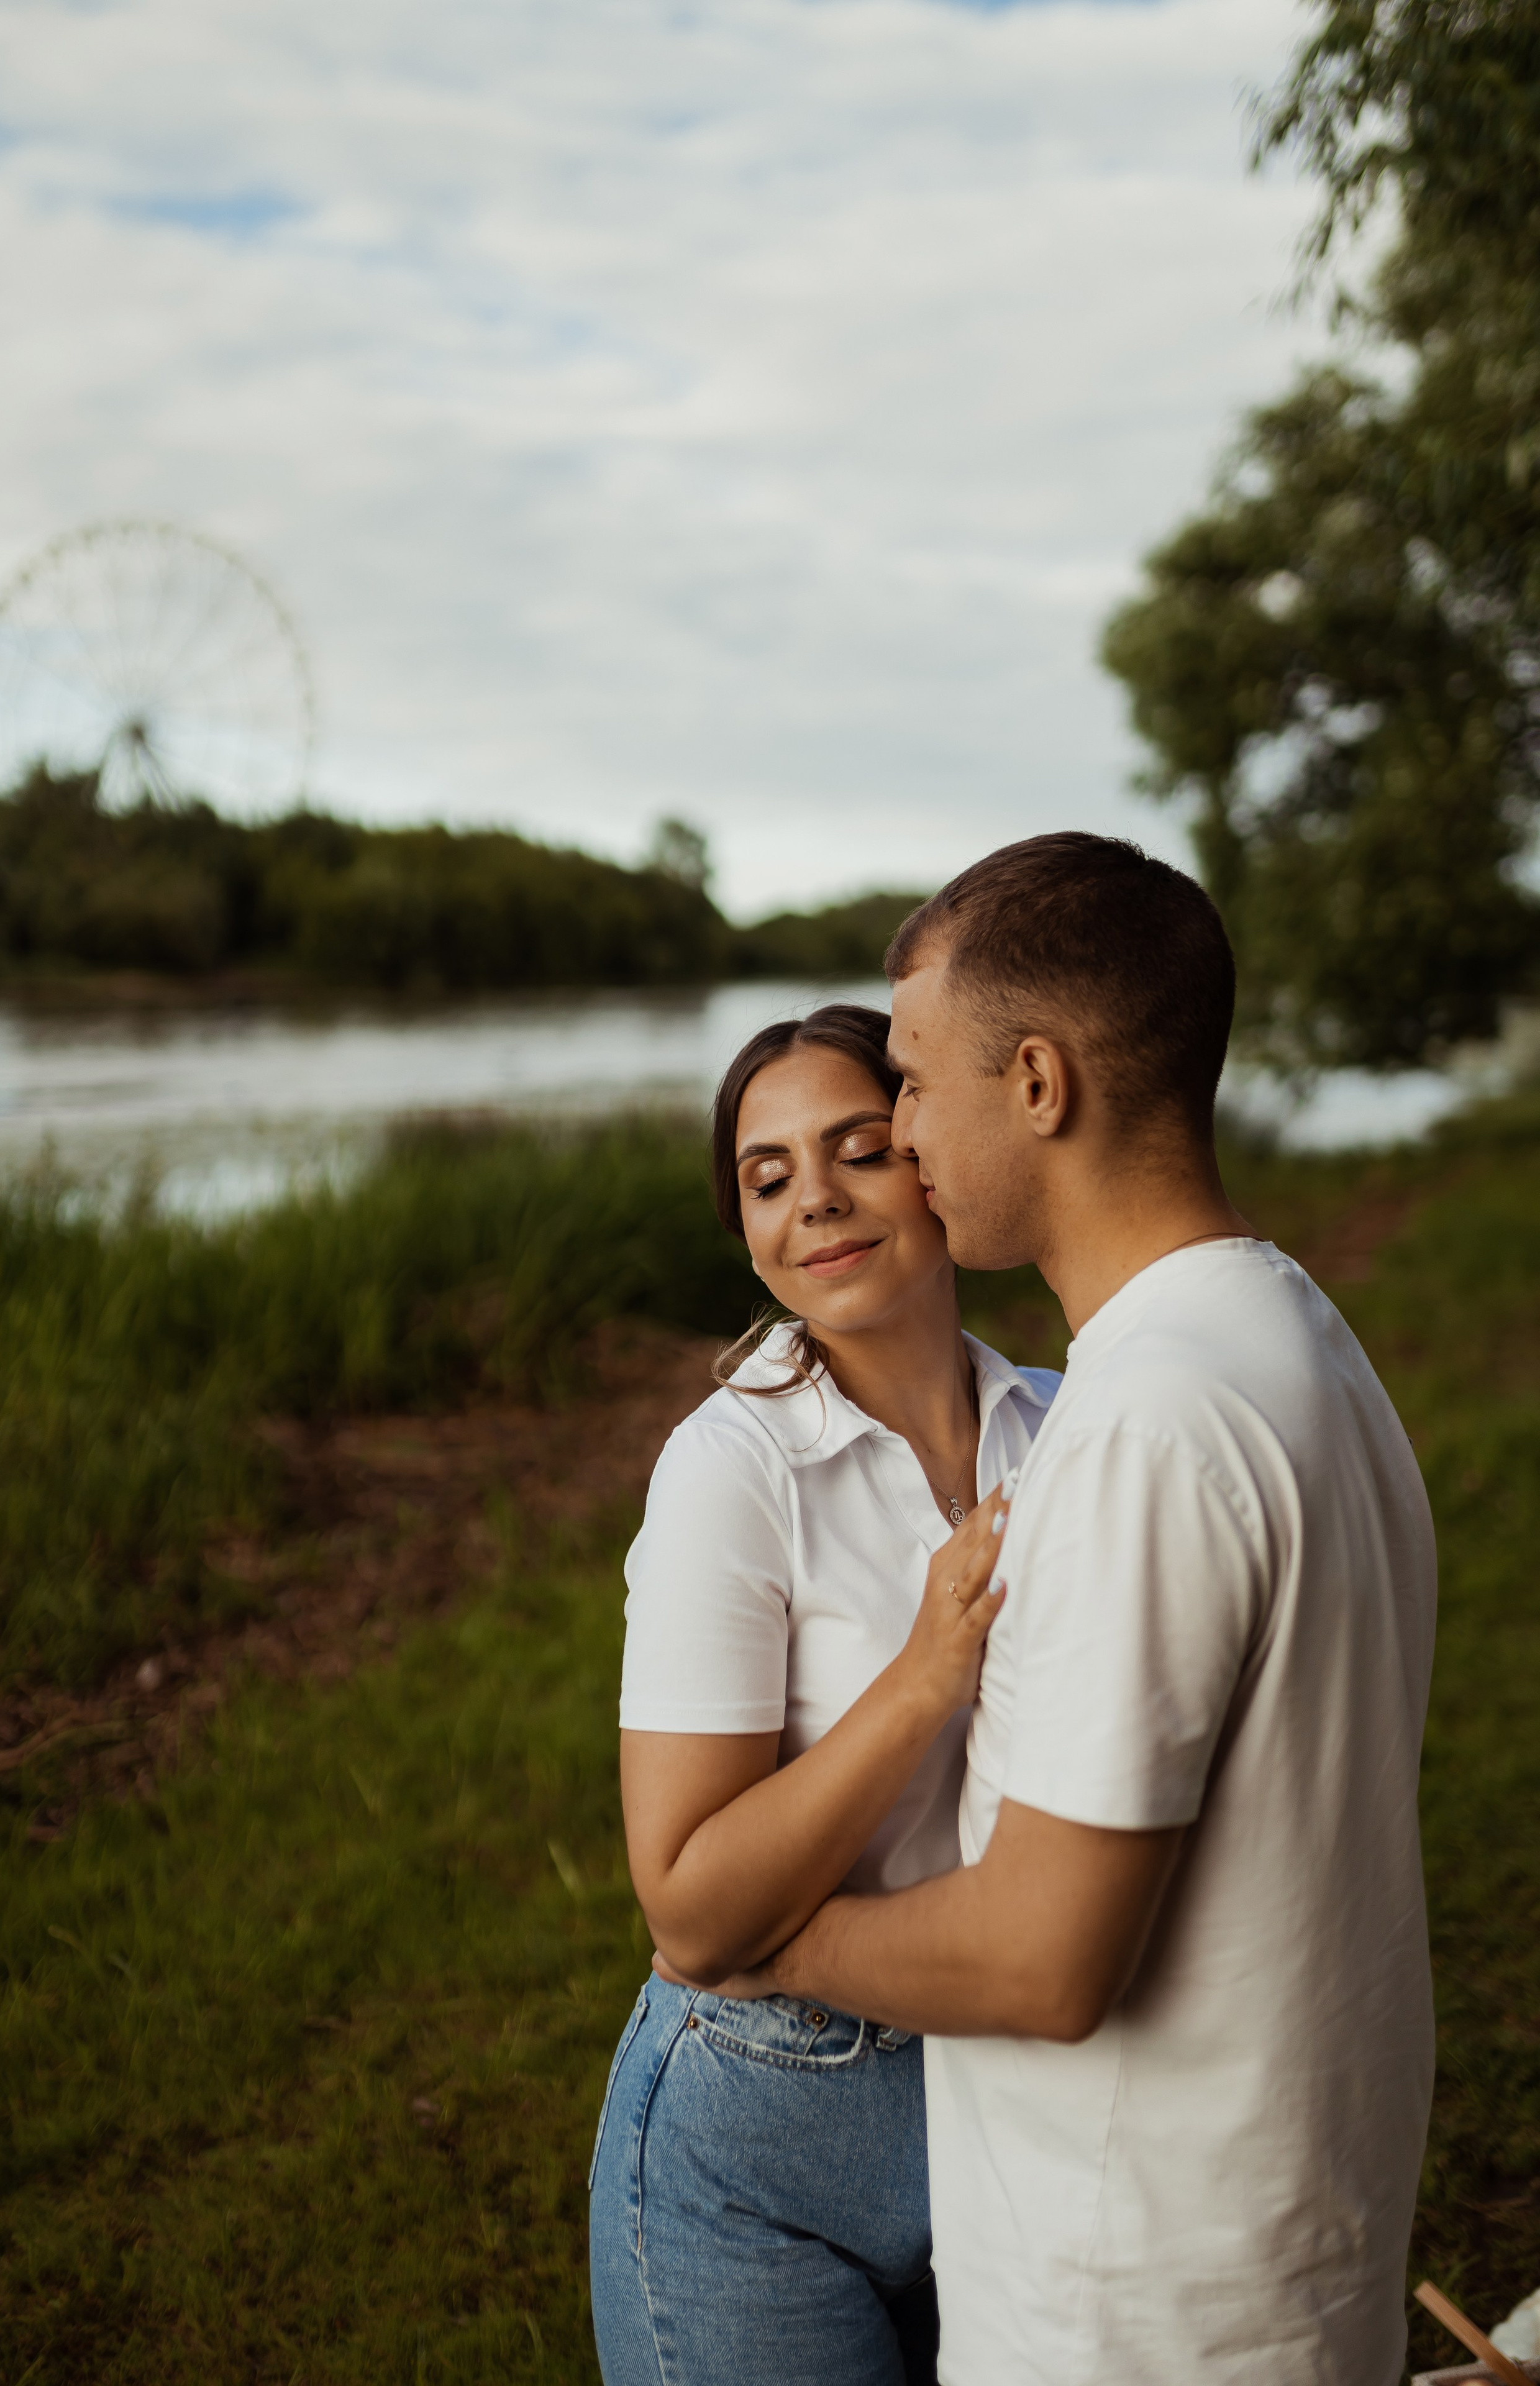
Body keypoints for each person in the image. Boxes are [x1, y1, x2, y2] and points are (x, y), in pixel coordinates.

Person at [673, 834, 1438, 2386]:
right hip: (1276, 2244)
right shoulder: (1294, 1335)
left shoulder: (1139, 1426)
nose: (900, 1129)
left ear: (1037, 1082)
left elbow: (1041, 1956)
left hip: (1140, 2306)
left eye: (912, 1081)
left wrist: (780, 1944)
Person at [588, 1002, 1062, 2386]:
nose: (816, 1205)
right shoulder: (727, 1472)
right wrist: (921, 1677)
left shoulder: (1060, 1418)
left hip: (1002, 2085)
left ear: (926, 1149)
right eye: (767, 1175)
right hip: (759, 2144)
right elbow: (688, 1906)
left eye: (856, 1147)